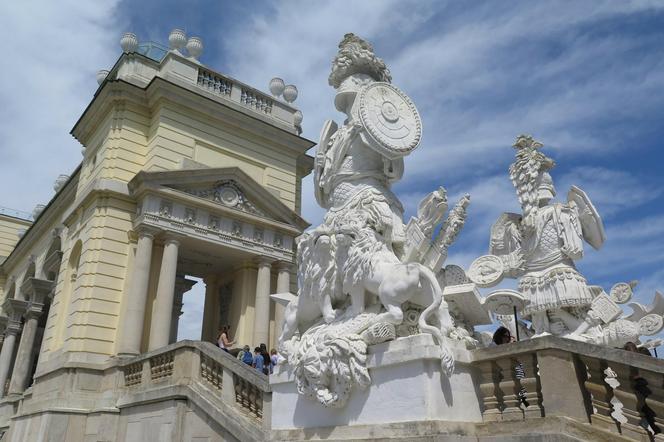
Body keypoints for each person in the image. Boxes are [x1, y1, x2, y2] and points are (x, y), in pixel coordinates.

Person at [491, 327, 528, 407]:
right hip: (503, 373)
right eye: (505, 336)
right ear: (499, 336)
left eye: (508, 337)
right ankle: (524, 401)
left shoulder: (507, 345)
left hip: (513, 370)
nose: (507, 339)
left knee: (521, 378)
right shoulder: (493, 345)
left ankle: (525, 401)